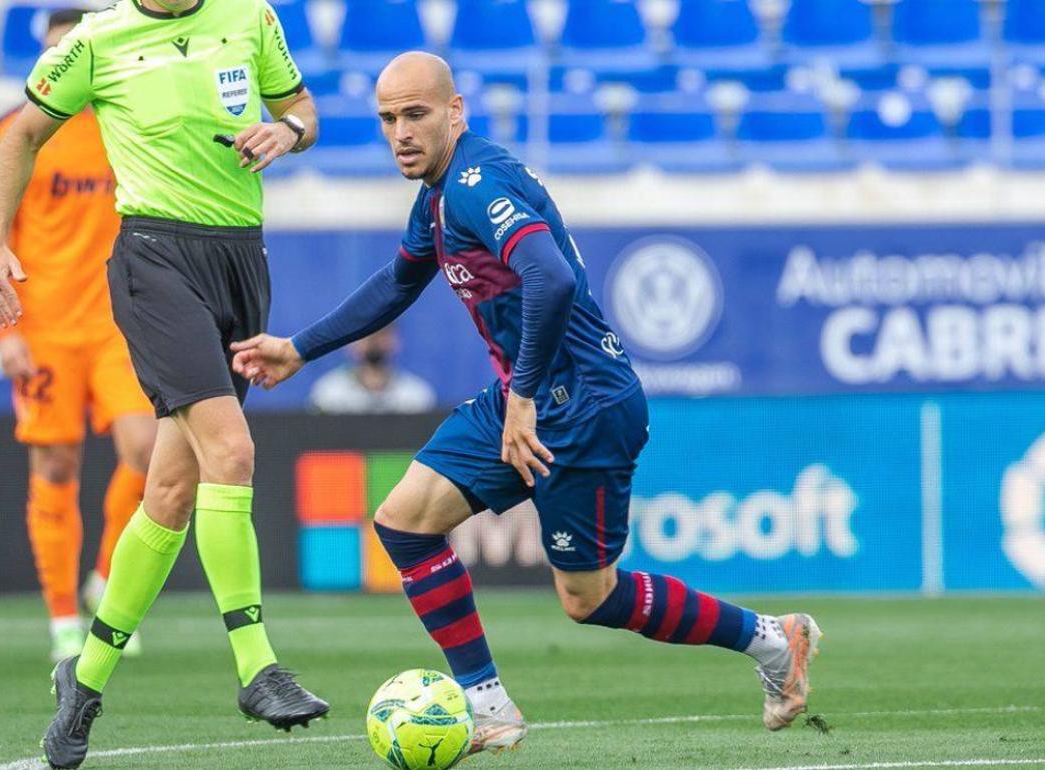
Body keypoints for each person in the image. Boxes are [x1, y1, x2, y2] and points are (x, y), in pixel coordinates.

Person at [234, 52, 822, 754]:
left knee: (590, 598)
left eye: (416, 114)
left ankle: (771, 640)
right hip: (535, 393)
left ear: (456, 112)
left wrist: (522, 396)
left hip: (583, 404)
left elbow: (550, 279)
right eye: (388, 119)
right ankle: (489, 707)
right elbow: (398, 283)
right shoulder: (439, 196)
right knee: (404, 522)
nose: (401, 133)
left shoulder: (480, 183)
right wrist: (300, 348)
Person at [0, 1, 328, 767]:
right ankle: (257, 665)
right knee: (230, 452)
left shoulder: (250, 16)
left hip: (240, 260)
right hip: (153, 261)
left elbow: (302, 108)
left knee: (168, 489)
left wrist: (289, 131)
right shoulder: (97, 38)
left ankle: (86, 679)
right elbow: (21, 135)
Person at [0, 8, 157, 664]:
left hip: (116, 324)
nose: (61, 66)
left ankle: (108, 580)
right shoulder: (14, 133)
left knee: (151, 451)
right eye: (53, 53)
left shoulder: (122, 125)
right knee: (56, 463)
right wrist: (6, 332)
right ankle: (60, 617)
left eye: (72, 53)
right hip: (45, 325)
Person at [307, 326, 436, 414]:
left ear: (396, 341)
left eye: (383, 333)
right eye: (364, 334)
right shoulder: (328, 394)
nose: (373, 340)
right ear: (349, 343)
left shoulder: (416, 395)